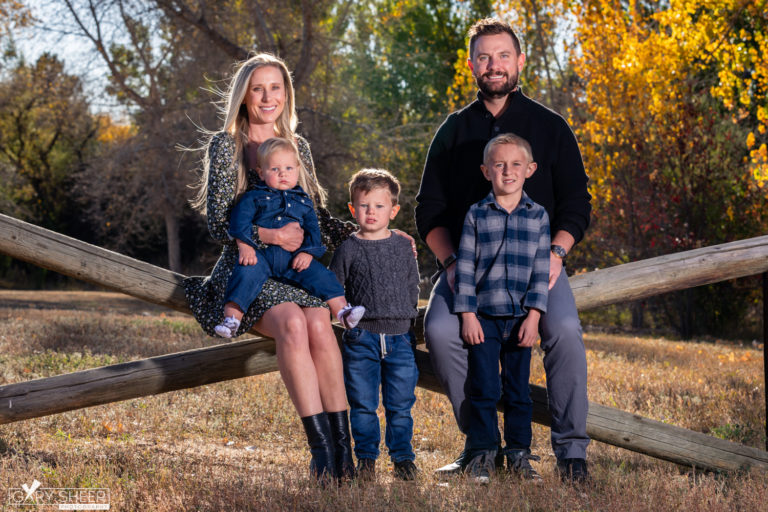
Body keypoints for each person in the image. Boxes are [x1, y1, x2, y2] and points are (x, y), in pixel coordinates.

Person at [415, 18, 592, 483]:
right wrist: (451, 264)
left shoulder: (550, 127)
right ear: (472, 64)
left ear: (520, 61)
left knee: (567, 330)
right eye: (484, 57)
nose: (494, 65)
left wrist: (556, 254)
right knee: (439, 329)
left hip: (538, 267)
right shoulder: (452, 131)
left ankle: (572, 451)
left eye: (503, 55)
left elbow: (577, 203)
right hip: (466, 268)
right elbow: (428, 210)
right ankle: (481, 445)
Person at [184, 53, 359, 483]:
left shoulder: (298, 148)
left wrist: (374, 234)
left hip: (295, 269)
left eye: (275, 87)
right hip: (250, 265)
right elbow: (219, 224)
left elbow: (318, 215)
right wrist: (271, 237)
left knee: (319, 322)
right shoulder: (227, 145)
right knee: (294, 326)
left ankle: (344, 456)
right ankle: (321, 455)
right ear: (244, 94)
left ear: (286, 94)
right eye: (257, 87)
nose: (267, 96)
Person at [454, 134, 549, 483]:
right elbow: (464, 267)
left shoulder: (538, 216)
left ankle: (519, 455)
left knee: (518, 391)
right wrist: (467, 314)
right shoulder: (476, 215)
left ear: (530, 169)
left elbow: (541, 271)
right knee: (484, 388)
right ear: (486, 170)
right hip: (484, 318)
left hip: (521, 319)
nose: (507, 171)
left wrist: (535, 316)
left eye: (515, 165)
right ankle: (482, 454)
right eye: (499, 164)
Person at [213, 137, 364, 338]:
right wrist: (245, 246)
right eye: (275, 169)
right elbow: (239, 223)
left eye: (288, 168)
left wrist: (308, 253)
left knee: (323, 276)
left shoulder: (304, 201)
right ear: (261, 172)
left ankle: (343, 312)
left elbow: (314, 231)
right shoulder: (253, 197)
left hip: (293, 259)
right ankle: (232, 319)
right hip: (260, 256)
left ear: (298, 170)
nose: (283, 173)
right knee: (244, 275)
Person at [329, 169, 420, 482]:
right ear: (353, 209)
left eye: (379, 206)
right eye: (364, 205)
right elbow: (334, 288)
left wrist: (408, 319)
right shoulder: (348, 249)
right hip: (362, 338)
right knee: (363, 404)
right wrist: (347, 321)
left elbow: (412, 285)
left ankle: (403, 459)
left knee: (401, 405)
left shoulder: (402, 246)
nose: (371, 212)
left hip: (400, 339)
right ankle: (366, 459)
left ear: (393, 211)